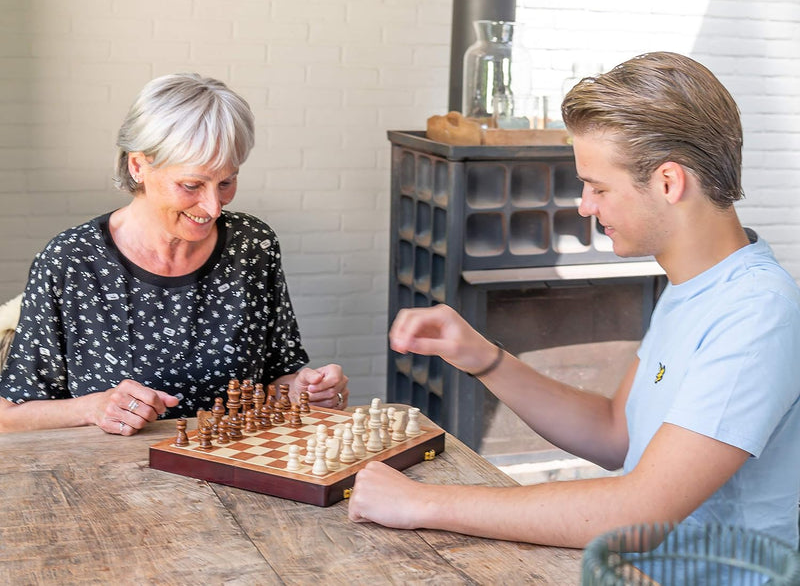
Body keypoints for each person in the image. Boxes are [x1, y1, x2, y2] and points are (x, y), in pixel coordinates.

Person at [348, 52, 800, 550]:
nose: (585, 205)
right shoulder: (693, 287)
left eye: (597, 186)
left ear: (668, 182)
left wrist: (422, 503)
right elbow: (615, 434)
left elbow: (636, 514)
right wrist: (484, 358)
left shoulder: (757, 313)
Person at [0, 73, 349, 435]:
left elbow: (278, 377)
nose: (213, 207)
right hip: (110, 481)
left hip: (235, 471)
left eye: (226, 182)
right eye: (192, 185)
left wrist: (306, 389)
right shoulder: (71, 261)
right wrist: (94, 408)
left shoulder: (252, 246)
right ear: (139, 166)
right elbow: (9, 416)